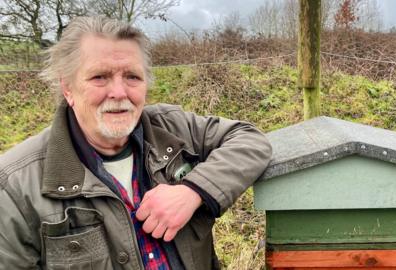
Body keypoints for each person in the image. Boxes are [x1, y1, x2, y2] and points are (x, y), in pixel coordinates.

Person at [0, 17, 272, 270]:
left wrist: (193, 190)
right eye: (99, 77)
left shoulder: (173, 128)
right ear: (68, 88)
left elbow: (250, 140)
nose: (119, 92)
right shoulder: (14, 186)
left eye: (132, 76)